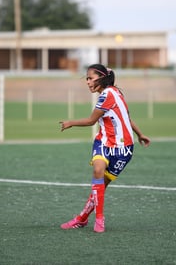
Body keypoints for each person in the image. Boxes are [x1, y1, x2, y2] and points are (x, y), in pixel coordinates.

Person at [59, 63, 151, 233]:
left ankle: (81, 219)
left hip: (123, 150)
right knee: (97, 172)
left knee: (100, 187)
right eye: (86, 79)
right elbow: (126, 118)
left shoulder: (108, 95)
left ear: (101, 78)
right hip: (103, 142)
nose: (87, 82)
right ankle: (99, 219)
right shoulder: (114, 92)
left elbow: (92, 121)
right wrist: (140, 134)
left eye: (90, 78)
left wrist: (70, 122)